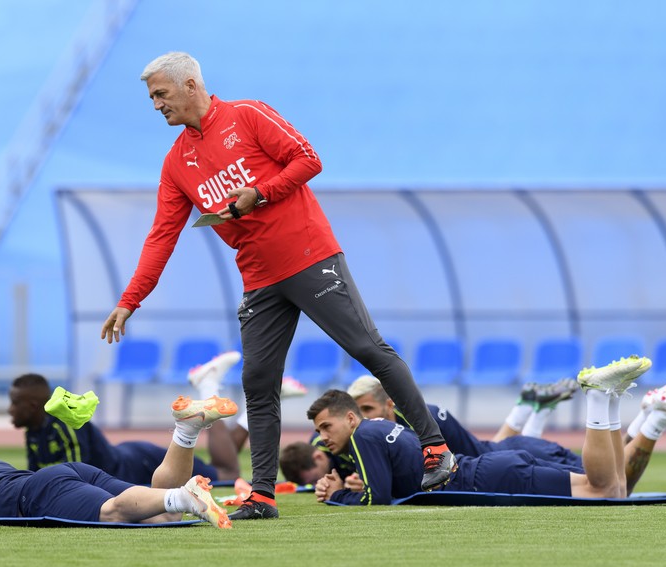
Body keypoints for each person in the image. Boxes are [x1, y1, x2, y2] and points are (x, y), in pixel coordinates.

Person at [99, 51, 454, 519]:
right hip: (259, 279)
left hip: (310, 257)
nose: (156, 105)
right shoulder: (175, 163)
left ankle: (435, 449)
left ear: (190, 85)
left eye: (161, 94)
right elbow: (161, 236)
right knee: (257, 382)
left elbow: (308, 160)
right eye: (151, 97)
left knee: (368, 349)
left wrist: (260, 194)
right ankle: (263, 495)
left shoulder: (247, 115)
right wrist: (130, 301)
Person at [305, 356, 666, 505]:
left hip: (497, 467)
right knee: (615, 487)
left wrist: (341, 492)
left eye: (326, 426)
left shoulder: (400, 424)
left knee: (609, 488)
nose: (322, 437)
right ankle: (623, 404)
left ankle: (610, 402)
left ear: (359, 415)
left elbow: (380, 497)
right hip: (499, 461)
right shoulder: (397, 428)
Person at [0, 397, 238, 528]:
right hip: (69, 473)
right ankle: (186, 432)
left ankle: (186, 496)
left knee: (112, 513)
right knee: (163, 514)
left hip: (39, 492)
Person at [279, 376, 583, 486]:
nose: (361, 419)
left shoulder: (427, 417)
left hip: (501, 457)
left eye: (367, 410)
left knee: (491, 450)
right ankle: (536, 406)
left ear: (389, 404)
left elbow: (473, 455)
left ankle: (533, 407)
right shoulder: (332, 440)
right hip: (495, 461)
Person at [8, 367, 241, 482]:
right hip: (128, 456)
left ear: (32, 405)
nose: (9, 409)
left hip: (141, 462)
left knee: (229, 474)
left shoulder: (64, 426)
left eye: (14, 403)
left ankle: (208, 386)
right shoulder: (33, 432)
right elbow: (35, 477)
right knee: (222, 466)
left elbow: (79, 478)